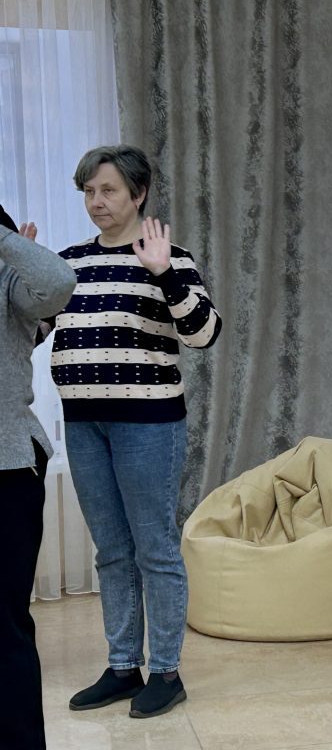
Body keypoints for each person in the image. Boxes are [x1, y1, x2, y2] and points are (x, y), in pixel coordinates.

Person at [45, 145, 222, 719]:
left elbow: (204, 334)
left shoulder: (171, 258)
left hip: (149, 425)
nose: (96, 202)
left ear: (138, 193)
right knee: (112, 551)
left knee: (155, 549)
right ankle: (123, 665)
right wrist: (19, 275)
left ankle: (165, 671)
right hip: (84, 424)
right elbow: (30, 329)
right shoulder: (68, 263)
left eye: (109, 190)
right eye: (88, 192)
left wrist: (164, 274)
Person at [0, 210, 78, 748]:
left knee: (4, 622)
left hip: (8, 468)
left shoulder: (9, 277)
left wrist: (7, 241)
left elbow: (57, 283)